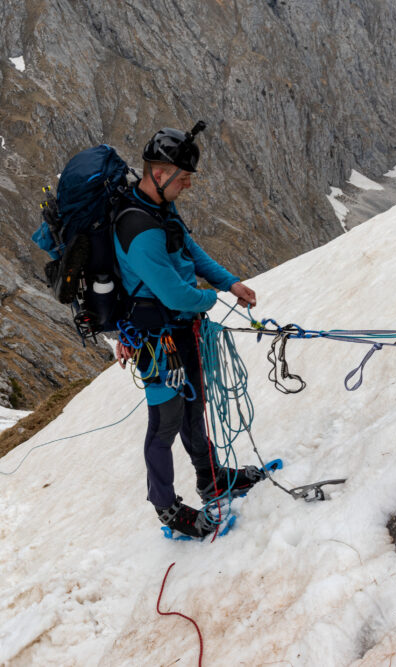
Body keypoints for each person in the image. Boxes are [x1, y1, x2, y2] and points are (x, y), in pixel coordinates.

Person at [113, 124, 263, 538]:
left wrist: (228, 282)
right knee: (164, 422)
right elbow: (176, 294)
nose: (189, 185)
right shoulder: (137, 228)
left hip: (181, 333)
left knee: (193, 406)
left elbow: (188, 250)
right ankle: (166, 507)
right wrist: (210, 300)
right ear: (159, 174)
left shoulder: (161, 210)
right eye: (183, 178)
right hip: (156, 339)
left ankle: (210, 477)